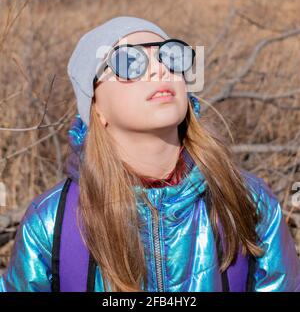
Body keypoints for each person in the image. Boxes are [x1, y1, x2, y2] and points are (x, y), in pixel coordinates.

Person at [0, 16, 300, 292]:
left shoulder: (248, 202)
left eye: (170, 56)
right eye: (129, 62)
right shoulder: (52, 223)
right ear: (96, 107)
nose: (160, 69)